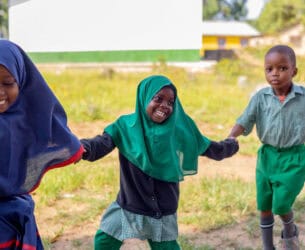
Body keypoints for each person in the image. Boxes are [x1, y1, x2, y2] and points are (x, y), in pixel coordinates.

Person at [80, 74, 239, 250]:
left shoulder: (179, 130)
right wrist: (81, 148)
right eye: (158, 99)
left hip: (162, 210)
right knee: (104, 241)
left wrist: (231, 144)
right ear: (144, 97)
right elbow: (102, 143)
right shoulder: (124, 127)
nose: (165, 105)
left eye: (171, 102)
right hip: (129, 204)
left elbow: (210, 148)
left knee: (166, 247)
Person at [0, 39, 83, 249]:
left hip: (13, 213)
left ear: (21, 81)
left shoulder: (24, 117)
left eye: (8, 83)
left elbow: (51, 126)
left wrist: (76, 149)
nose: (0, 92)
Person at [229, 45, 304, 250]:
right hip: (267, 157)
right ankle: (268, 247)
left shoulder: (303, 98)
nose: (275, 74)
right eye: (269, 69)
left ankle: (289, 228)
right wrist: (231, 137)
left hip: (294, 158)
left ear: (293, 71)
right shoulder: (260, 97)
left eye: (282, 68)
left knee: (281, 204)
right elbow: (245, 120)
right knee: (264, 205)